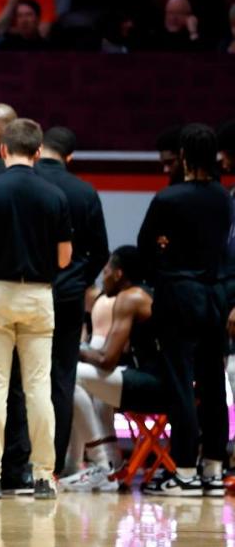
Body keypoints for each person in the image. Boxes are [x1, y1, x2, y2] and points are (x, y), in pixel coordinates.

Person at [0, 118, 73, 500]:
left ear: (3, 150)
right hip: (39, 294)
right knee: (38, 388)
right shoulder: (54, 194)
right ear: (38, 152)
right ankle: (43, 476)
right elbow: (65, 257)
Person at [136, 123, 230, 497]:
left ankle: (185, 471)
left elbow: (145, 247)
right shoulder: (224, 198)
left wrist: (165, 252)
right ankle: (213, 468)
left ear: (186, 157)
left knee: (180, 382)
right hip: (214, 294)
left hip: (178, 292)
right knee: (212, 383)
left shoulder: (169, 198)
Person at [34, 127, 109, 477]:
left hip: (25, 291)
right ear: (70, 157)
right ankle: (56, 465)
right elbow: (102, 251)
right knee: (61, 379)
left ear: (37, 150)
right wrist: (78, 279)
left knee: (22, 379)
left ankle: (19, 463)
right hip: (67, 297)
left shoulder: (22, 182)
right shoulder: (85, 191)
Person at [61, 247, 165, 492]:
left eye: (105, 271)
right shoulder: (144, 294)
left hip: (156, 386)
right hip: (161, 382)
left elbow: (106, 358)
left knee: (71, 376)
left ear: (118, 274)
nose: (102, 277)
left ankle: (103, 463)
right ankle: (110, 462)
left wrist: (70, 349)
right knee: (97, 384)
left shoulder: (131, 298)